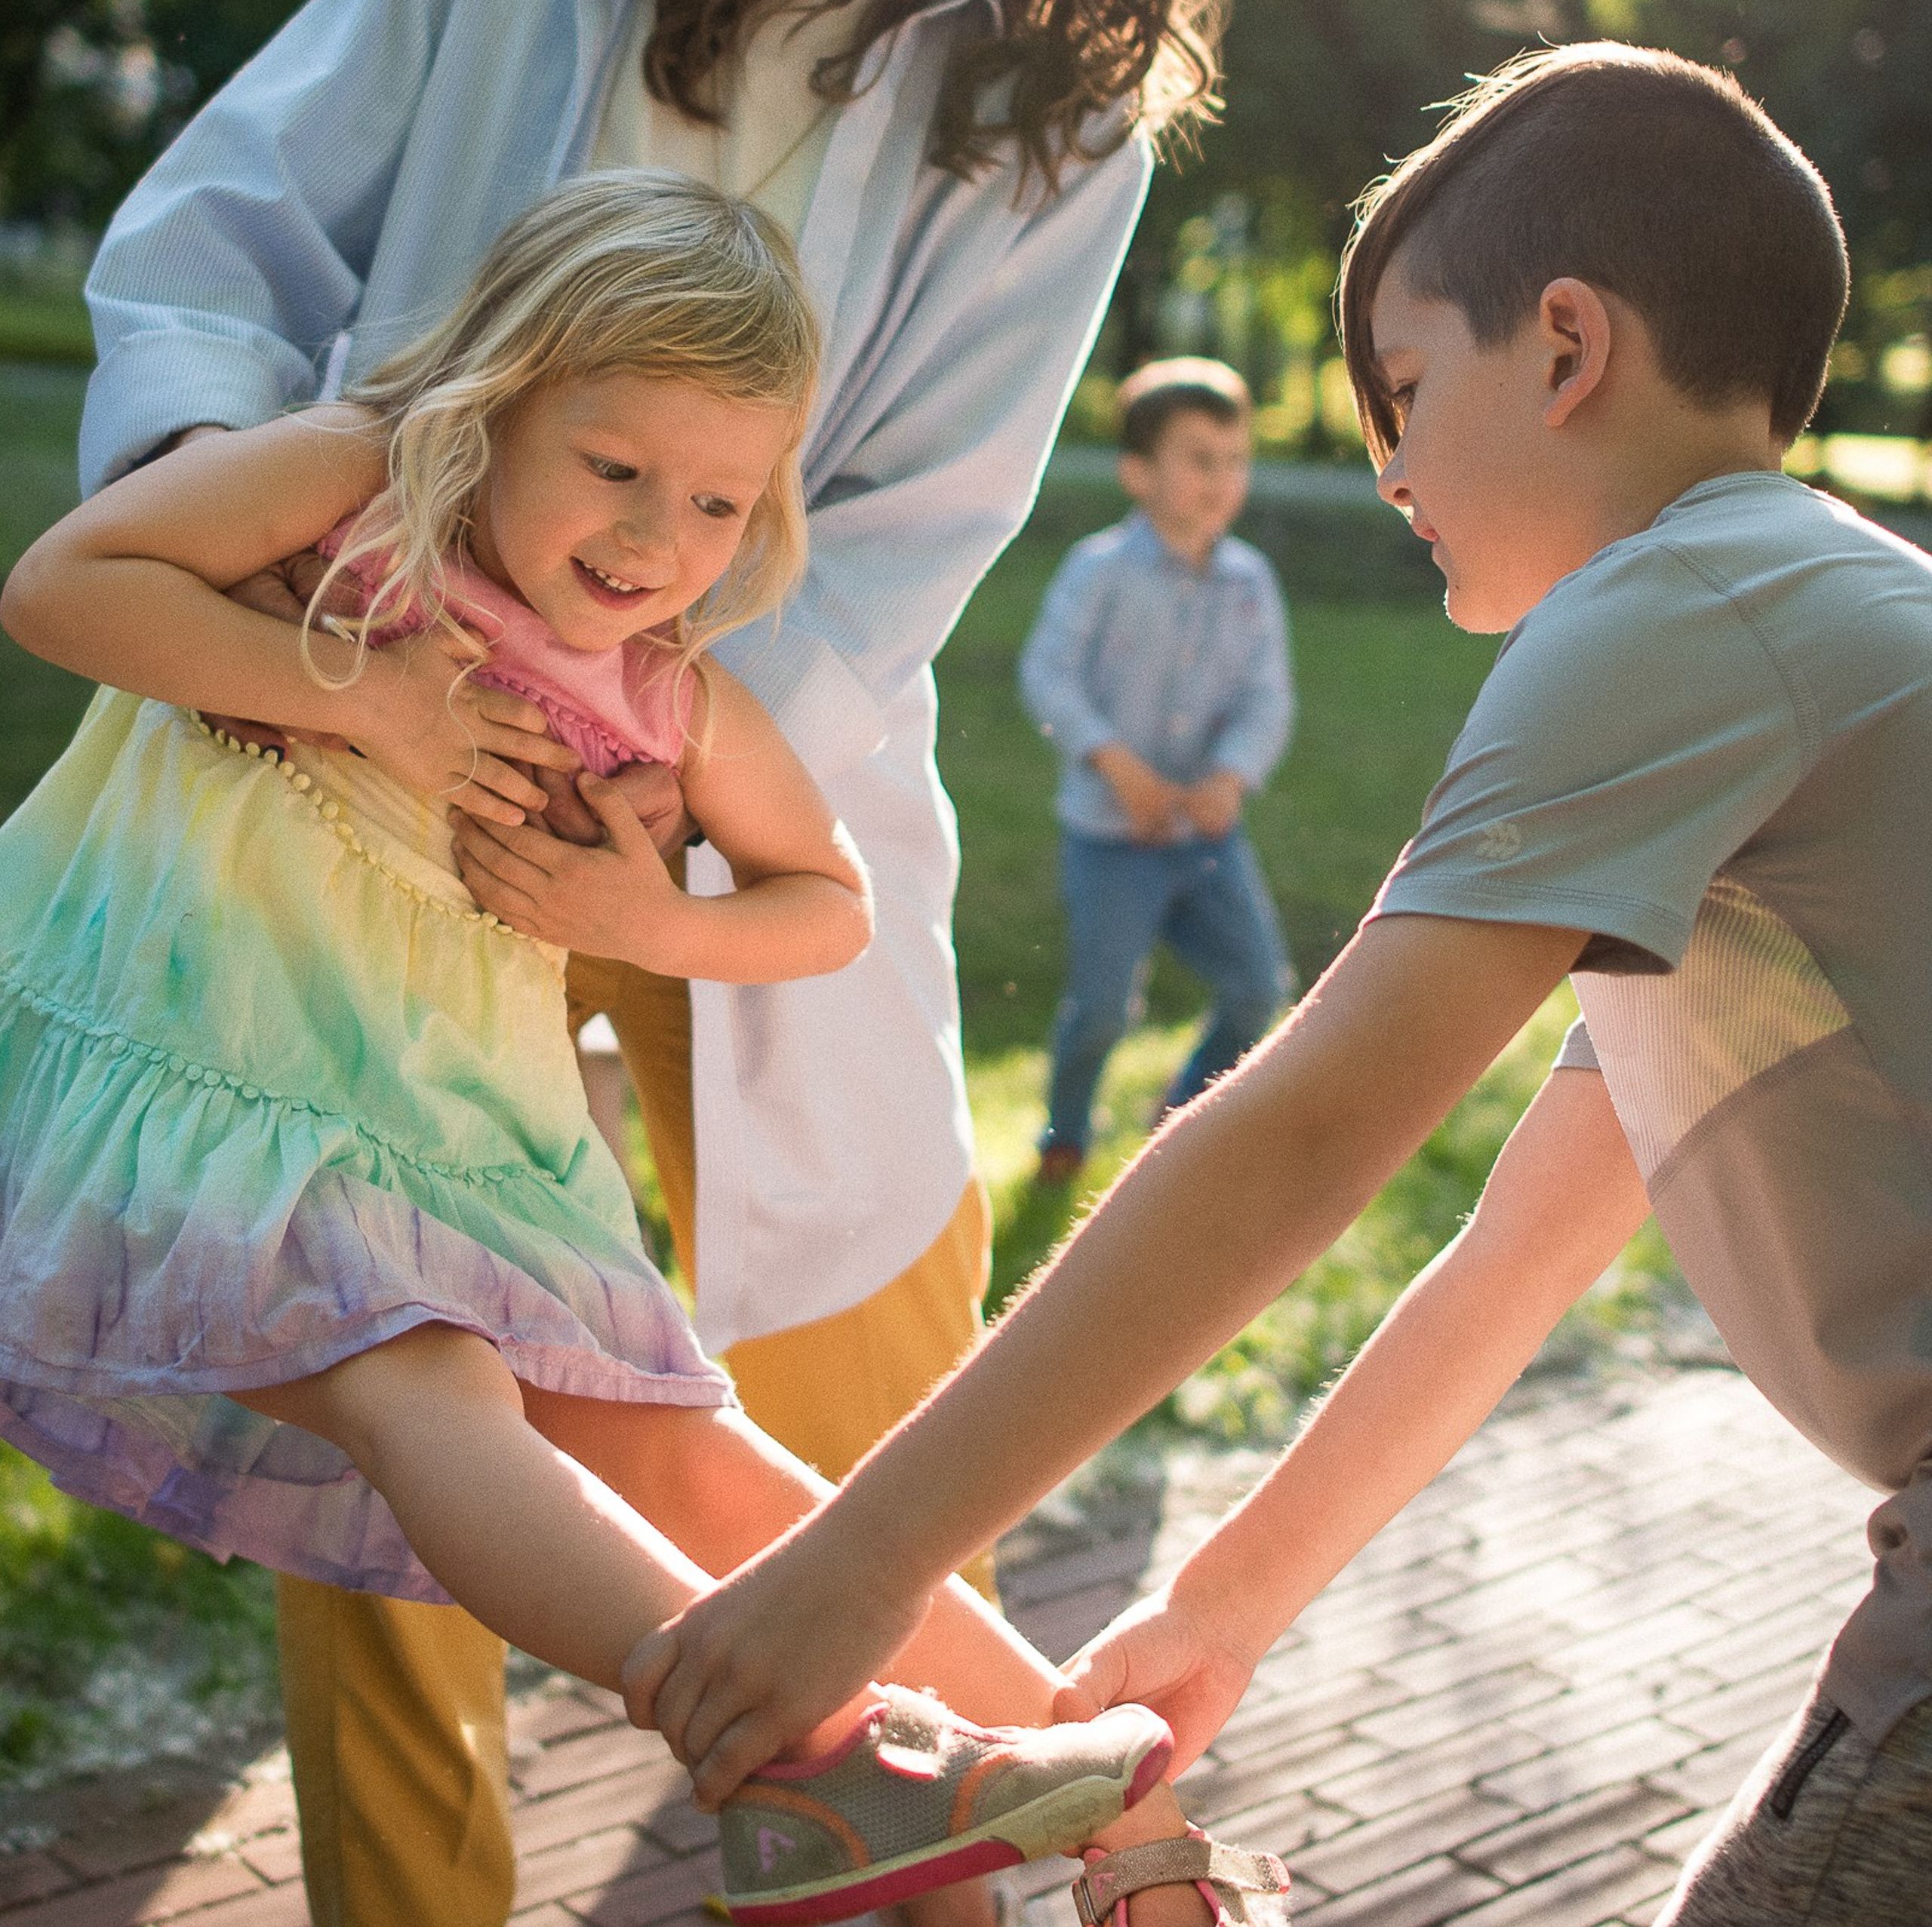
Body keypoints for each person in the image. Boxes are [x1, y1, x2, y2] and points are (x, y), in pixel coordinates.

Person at [73, 0, 1237, 1915]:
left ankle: (1039, 1810)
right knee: (423, 1419)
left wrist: (640, 818)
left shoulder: (1061, 123)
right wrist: (318, 614)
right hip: (367, 766)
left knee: (834, 1426)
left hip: (736, 802)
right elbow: (219, 239)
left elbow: (910, 525)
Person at [622, 44, 1932, 1925]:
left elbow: (1301, 1129)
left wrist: (862, 1567)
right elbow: (1521, 1243)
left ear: (1563, 348)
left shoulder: (1672, 612)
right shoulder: (1795, 623)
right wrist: (1223, 1599)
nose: (1387, 468)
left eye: (1404, 391)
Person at [0, 170, 1198, 1925]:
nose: (655, 535)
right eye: (614, 464)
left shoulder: (667, 690)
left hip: (453, 1129)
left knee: (684, 1450)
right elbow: (61, 582)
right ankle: (801, 1758)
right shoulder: (361, 484)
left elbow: (823, 898)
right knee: (425, 1380)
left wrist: (654, 929)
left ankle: (1111, 1800)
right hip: (215, 1062)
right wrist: (367, 691)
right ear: (499, 401)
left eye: (717, 498)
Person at [1017, 357, 1293, 1184]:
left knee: (1256, 988)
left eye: (1235, 458)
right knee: (1102, 1007)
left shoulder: (1249, 581)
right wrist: (1114, 764)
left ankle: (1178, 1117)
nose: (1221, 478)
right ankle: (1065, 1131)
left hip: (1207, 833)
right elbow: (1049, 675)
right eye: (1198, 459)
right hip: (1111, 835)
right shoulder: (1097, 571)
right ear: (1138, 472)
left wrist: (1231, 776)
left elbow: (1265, 698)